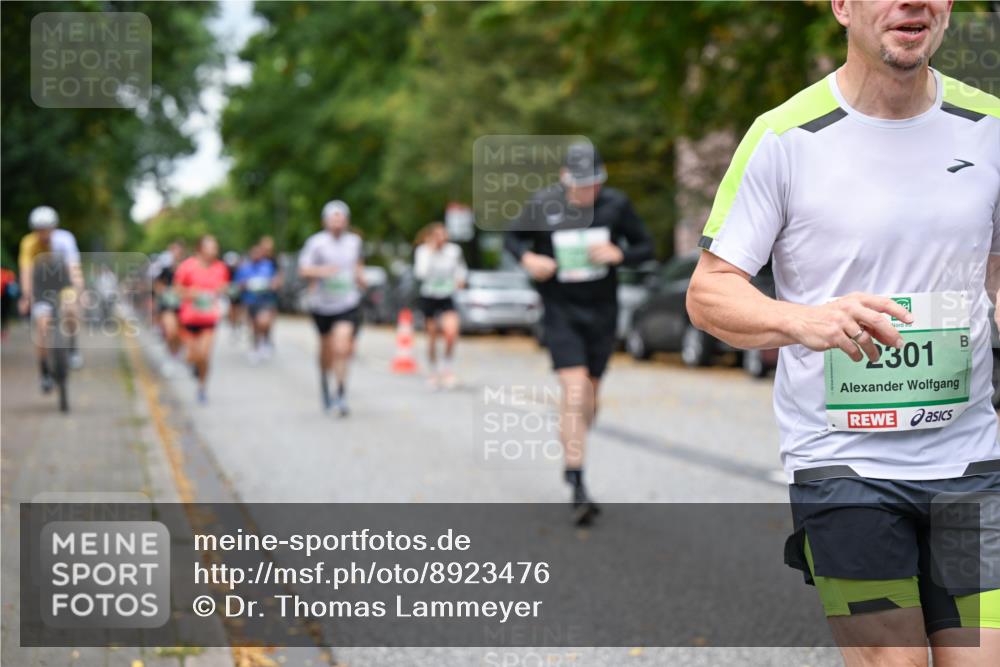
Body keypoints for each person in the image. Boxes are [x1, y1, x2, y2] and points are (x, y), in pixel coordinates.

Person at [686, 2, 1000, 663]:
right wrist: (804, 320)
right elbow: (709, 292)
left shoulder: (990, 126)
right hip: (845, 465)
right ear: (842, 6)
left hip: (971, 459)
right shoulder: (785, 137)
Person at [505, 142, 653, 524]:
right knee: (574, 391)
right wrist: (528, 259)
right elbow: (513, 238)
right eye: (580, 186)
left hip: (601, 312)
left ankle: (574, 448)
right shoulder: (543, 204)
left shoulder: (616, 206)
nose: (587, 193)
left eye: (594, 186)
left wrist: (620, 255)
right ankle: (577, 480)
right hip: (560, 311)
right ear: (564, 180)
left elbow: (645, 247)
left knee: (590, 397)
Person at [298, 200, 366, 416]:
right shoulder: (316, 243)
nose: (337, 222)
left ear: (346, 220)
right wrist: (322, 271)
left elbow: (357, 266)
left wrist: (360, 278)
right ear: (325, 221)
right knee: (326, 350)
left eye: (341, 217)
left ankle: (340, 394)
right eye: (333, 217)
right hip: (322, 305)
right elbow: (304, 270)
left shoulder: (355, 242)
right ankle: (325, 382)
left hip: (347, 303)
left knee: (342, 347)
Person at [17, 206, 85, 392]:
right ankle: (45, 372)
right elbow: (26, 272)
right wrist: (26, 296)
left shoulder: (65, 240)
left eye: (47, 228)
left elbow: (73, 268)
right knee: (42, 325)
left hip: (62, 283)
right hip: (41, 286)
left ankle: (72, 349)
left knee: (71, 309)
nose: (43, 233)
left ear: (54, 227)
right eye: (39, 229)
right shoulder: (28, 244)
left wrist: (80, 291)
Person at [173, 235, 229, 404]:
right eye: (211, 247)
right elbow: (177, 290)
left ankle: (202, 387)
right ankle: (194, 366)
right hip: (189, 318)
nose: (214, 250)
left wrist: (220, 291)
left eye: (215, 247)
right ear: (200, 248)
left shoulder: (221, 267)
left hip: (209, 318)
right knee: (192, 356)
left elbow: (224, 287)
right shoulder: (187, 266)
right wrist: (193, 293)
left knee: (205, 355)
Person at [414, 222, 467, 388]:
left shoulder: (454, 251)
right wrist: (431, 253)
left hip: (447, 296)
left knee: (451, 332)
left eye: (443, 235)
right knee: (432, 336)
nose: (441, 239)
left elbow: (461, 269)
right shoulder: (423, 251)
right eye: (437, 235)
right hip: (429, 296)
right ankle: (432, 370)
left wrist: (460, 280)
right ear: (430, 237)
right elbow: (420, 273)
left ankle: (446, 368)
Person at [233, 237, 281, 363]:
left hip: (265, 300)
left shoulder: (269, 265)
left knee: (263, 322)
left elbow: (277, 279)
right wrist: (246, 285)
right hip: (250, 301)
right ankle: (255, 346)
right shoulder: (244, 268)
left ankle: (265, 341)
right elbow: (238, 284)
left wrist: (272, 284)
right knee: (253, 326)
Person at [152, 241, 186, 375]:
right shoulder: (165, 269)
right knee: (170, 331)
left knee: (180, 334)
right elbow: (157, 285)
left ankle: (176, 356)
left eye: (178, 251)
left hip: (183, 306)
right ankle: (170, 358)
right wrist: (167, 292)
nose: (175, 254)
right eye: (173, 251)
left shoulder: (186, 268)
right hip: (168, 306)